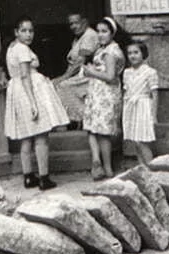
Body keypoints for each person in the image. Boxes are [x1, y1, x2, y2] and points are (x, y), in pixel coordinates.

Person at [2, 16, 69, 190]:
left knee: (26, 137)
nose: (28, 34)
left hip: (18, 90)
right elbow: (25, 76)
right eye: (23, 31)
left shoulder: (12, 48)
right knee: (41, 137)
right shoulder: (22, 49)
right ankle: (44, 178)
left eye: (31, 30)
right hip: (28, 91)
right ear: (16, 32)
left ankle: (28, 176)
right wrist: (33, 103)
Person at [82, 17, 125, 180]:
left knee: (103, 132)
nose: (100, 35)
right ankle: (96, 162)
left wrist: (91, 72)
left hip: (106, 93)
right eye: (98, 31)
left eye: (104, 31)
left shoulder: (111, 52)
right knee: (92, 127)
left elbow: (110, 76)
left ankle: (107, 168)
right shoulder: (102, 49)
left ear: (112, 33)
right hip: (97, 92)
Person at [52, 12, 99, 127]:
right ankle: (74, 119)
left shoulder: (89, 35)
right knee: (55, 84)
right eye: (71, 24)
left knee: (62, 86)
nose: (73, 26)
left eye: (76, 23)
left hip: (88, 75)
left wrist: (63, 78)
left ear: (84, 22)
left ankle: (82, 117)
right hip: (78, 75)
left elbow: (80, 62)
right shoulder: (78, 38)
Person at [122, 41, 159, 165]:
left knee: (142, 140)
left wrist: (154, 115)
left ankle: (151, 169)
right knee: (135, 141)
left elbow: (154, 94)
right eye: (130, 53)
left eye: (136, 52)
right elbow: (126, 92)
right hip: (131, 107)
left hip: (143, 106)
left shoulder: (150, 72)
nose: (132, 56)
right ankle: (142, 169)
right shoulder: (127, 73)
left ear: (143, 54)